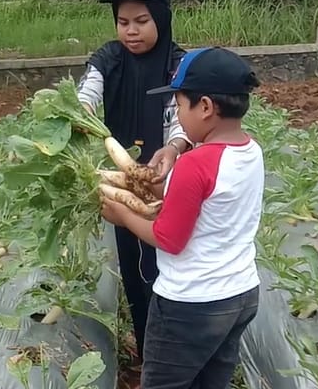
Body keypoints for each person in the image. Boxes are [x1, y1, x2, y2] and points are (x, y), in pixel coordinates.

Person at [100, 47, 264, 389]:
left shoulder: (195, 164)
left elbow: (169, 238)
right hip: (240, 295)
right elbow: (208, 205)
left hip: (190, 306)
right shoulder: (249, 151)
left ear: (205, 107)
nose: (176, 115)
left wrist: (123, 214)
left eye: (178, 106)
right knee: (210, 382)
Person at [76, 0, 192, 366]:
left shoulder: (179, 65)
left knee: (168, 272)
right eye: (123, 22)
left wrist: (174, 148)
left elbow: (181, 116)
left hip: (169, 185)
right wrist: (79, 113)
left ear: (161, 17)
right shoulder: (108, 58)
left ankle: (173, 356)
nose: (131, 31)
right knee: (133, 269)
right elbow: (87, 91)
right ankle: (148, 355)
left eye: (141, 21)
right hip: (123, 183)